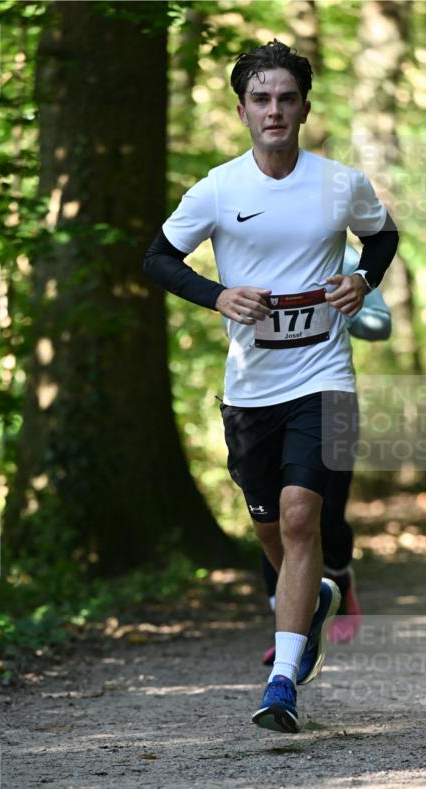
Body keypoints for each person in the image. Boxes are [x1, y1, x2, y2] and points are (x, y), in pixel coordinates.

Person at [144, 40, 398, 734]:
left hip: (324, 376)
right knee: (268, 527)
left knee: (298, 517)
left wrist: (362, 279)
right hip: (250, 390)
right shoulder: (218, 189)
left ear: (305, 108)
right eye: (261, 99)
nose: (274, 110)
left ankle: (283, 681)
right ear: (242, 111)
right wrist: (217, 295)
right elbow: (158, 258)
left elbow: (382, 237)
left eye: (286, 98)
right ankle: (310, 600)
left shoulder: (340, 183)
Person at [261, 246, 393, 662]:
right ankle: (293, 631)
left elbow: (381, 324)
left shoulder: (342, 256)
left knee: (324, 511)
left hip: (328, 396)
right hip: (262, 399)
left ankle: (339, 580)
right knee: (273, 516)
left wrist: (341, 308)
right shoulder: (254, 249)